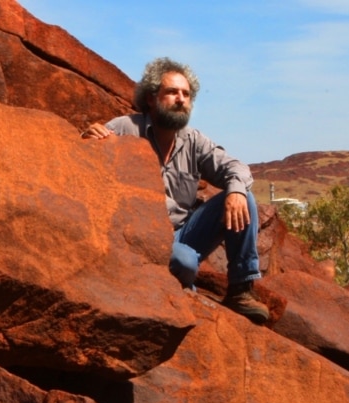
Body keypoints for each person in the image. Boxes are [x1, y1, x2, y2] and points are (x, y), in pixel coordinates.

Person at [84, 57, 269, 324]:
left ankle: (241, 291)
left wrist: (236, 191)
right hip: (139, 235)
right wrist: (87, 139)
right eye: (172, 92)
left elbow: (235, 167)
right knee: (184, 262)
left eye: (186, 94)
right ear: (151, 98)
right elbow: (86, 160)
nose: (181, 99)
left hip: (183, 233)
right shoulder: (124, 128)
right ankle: (177, 286)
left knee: (244, 198)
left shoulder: (193, 140)